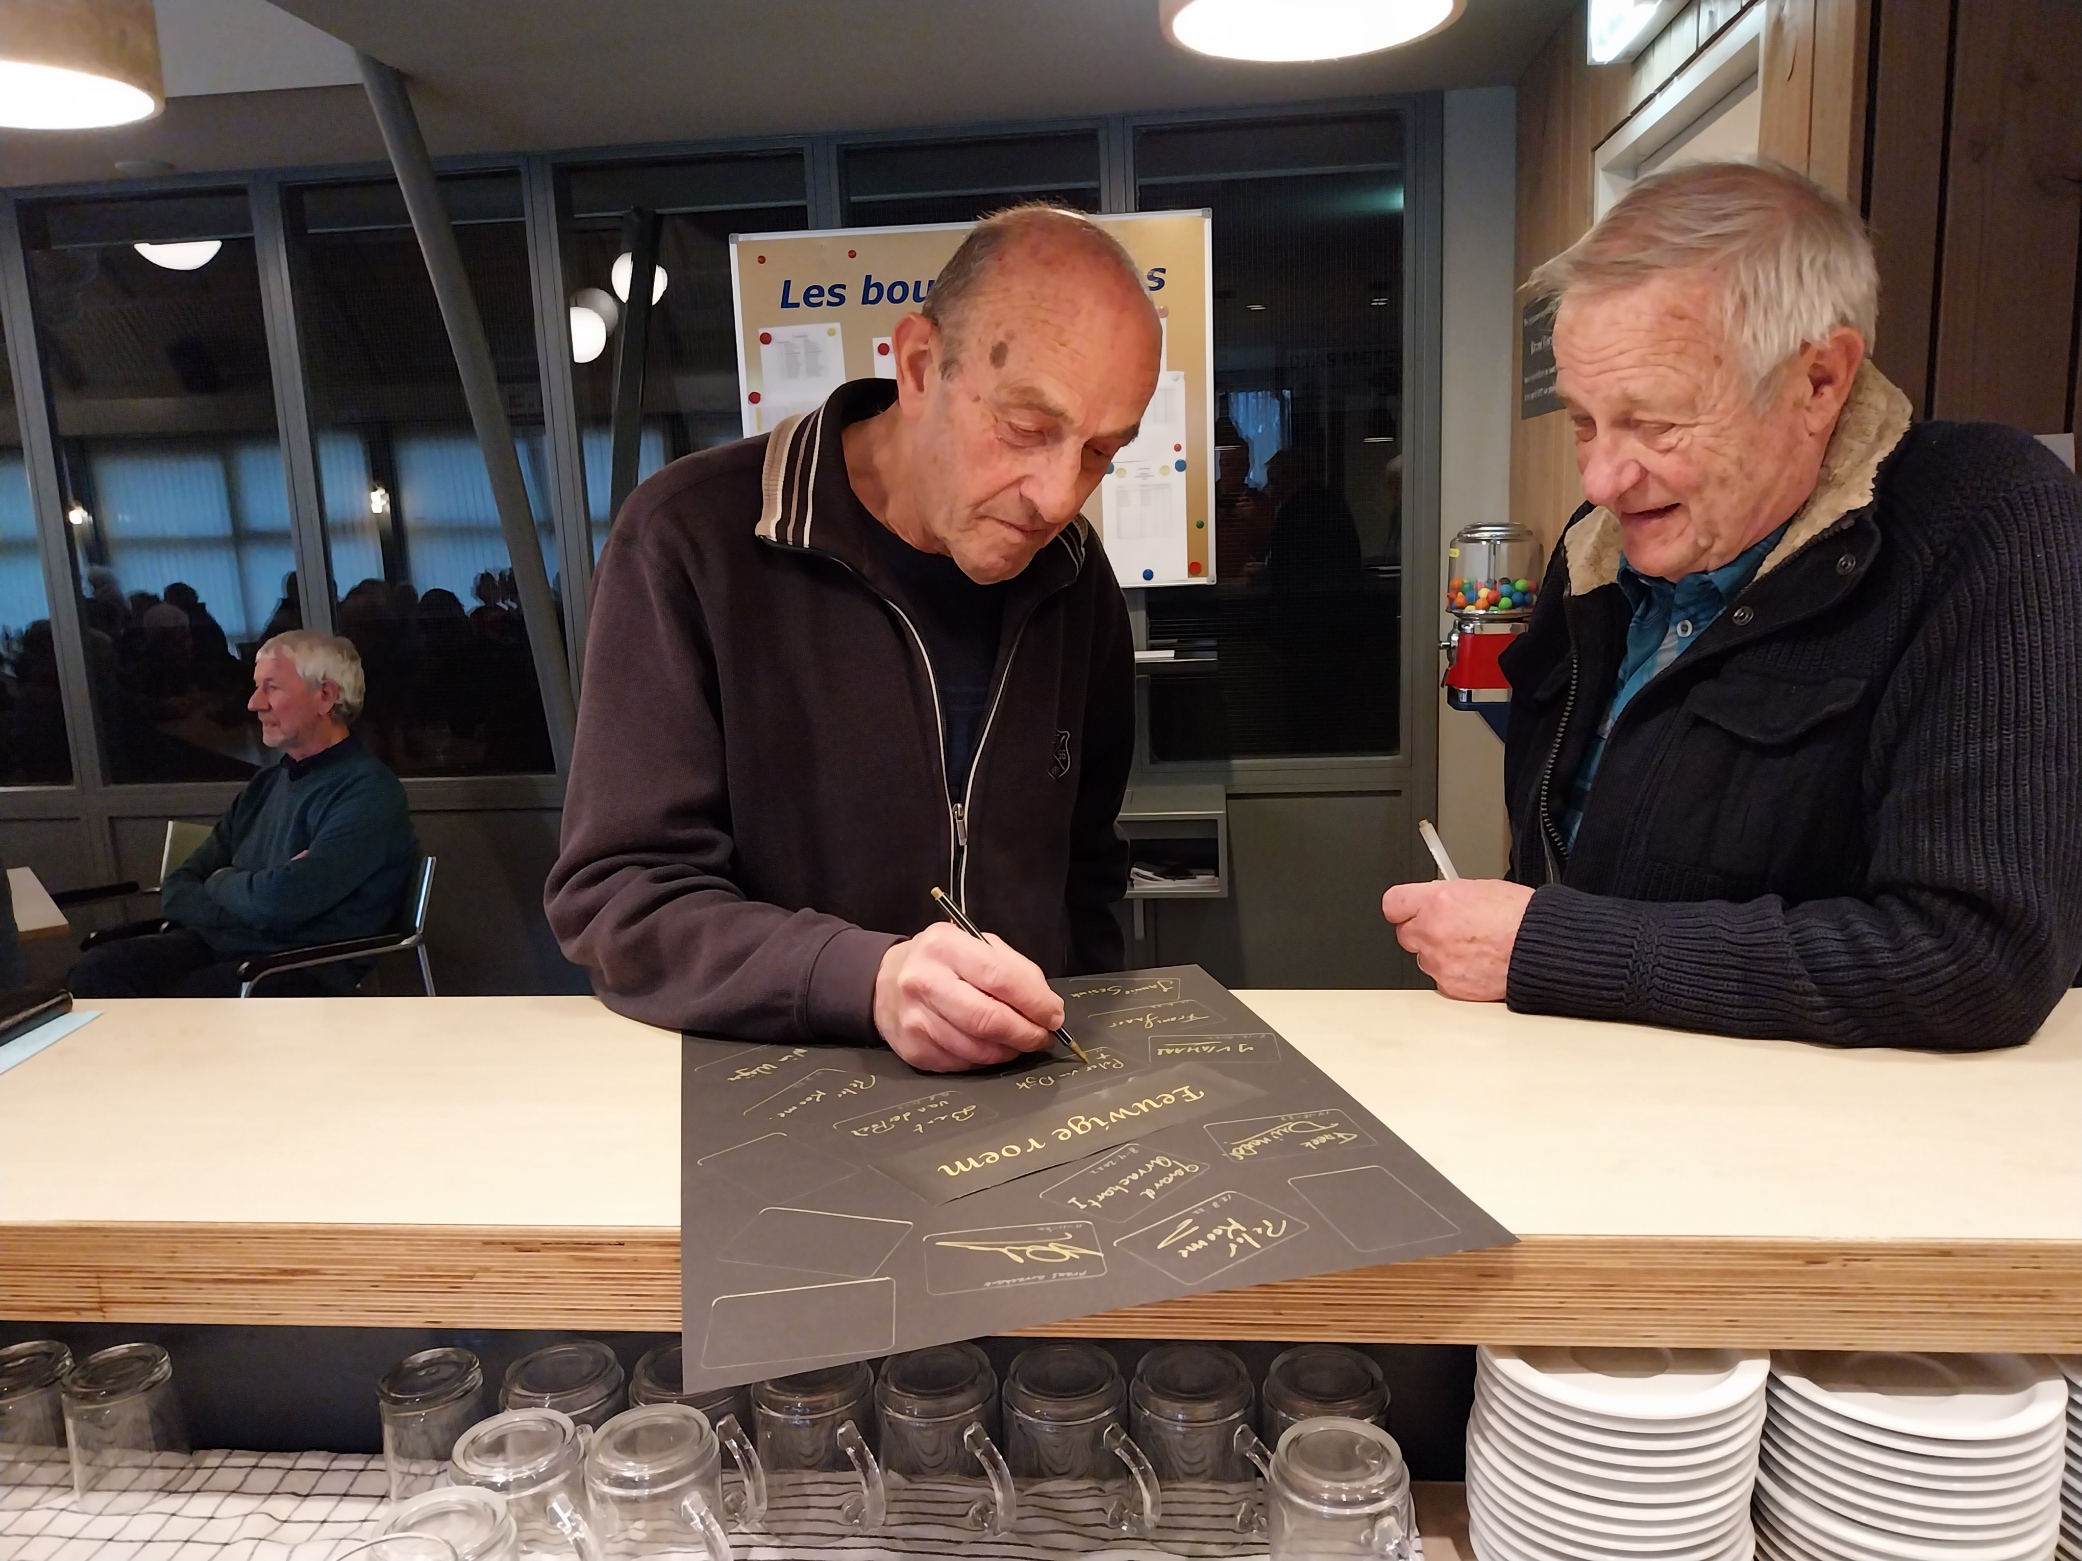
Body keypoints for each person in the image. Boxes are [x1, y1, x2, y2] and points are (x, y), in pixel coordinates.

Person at [1382, 160, 2082, 1052]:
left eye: (1655, 422)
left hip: (1817, 1131)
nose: (1601, 479)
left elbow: (1979, 958)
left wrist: (1547, 946)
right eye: (1584, 421)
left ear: (1819, 380)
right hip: (1586, 1091)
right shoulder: (1595, 546)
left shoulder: (1989, 520)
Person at [547, 205, 1160, 1073]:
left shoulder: (1072, 575)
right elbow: (619, 895)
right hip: (780, 1087)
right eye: (1026, 429)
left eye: (1101, 452)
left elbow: (1087, 870)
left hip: (1028, 1091)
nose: (1059, 496)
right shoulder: (694, 539)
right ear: (918, 366)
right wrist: (864, 979)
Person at [68, 631, 418, 998]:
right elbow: (178, 886)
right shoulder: (266, 784)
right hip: (225, 945)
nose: (254, 703)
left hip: (298, 964)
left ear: (325, 696)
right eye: (256, 687)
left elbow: (282, 901)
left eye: (271, 688)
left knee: (183, 1002)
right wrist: (251, 895)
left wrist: (221, 880)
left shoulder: (368, 793)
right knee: (98, 971)